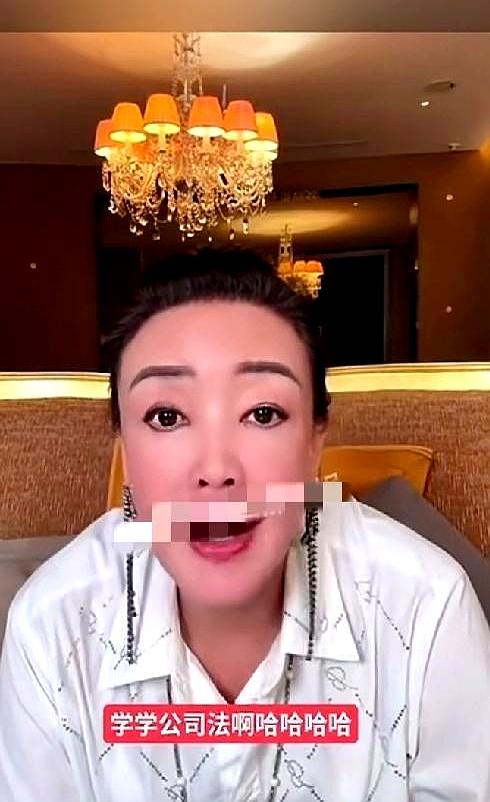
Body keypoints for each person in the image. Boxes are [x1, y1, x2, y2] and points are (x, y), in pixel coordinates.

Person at [0, 248, 489, 802]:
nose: (216, 470)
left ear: (315, 441)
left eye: (263, 414)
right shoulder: (52, 626)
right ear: (125, 451)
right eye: (167, 416)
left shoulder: (426, 608)